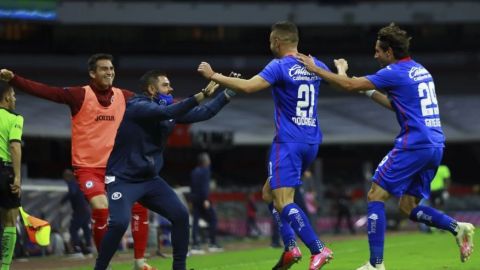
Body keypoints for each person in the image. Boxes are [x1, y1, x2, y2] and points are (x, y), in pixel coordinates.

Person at [296, 23, 475, 270]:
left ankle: (376, 264)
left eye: (378, 51)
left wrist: (316, 69)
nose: (375, 55)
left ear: (389, 52)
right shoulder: (420, 70)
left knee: (375, 195)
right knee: (408, 207)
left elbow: (347, 85)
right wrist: (361, 88)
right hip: (435, 144)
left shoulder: (394, 72)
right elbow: (396, 105)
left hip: (414, 143)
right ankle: (457, 227)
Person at [198, 21, 334, 270]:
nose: (270, 44)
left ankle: (317, 249)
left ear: (278, 42)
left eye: (271, 40)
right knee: (268, 194)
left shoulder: (279, 65)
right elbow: (337, 81)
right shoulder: (315, 65)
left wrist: (214, 76)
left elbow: (249, 86)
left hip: (288, 141)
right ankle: (290, 247)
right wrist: (343, 69)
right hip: (312, 140)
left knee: (284, 201)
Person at [0, 54, 154, 269]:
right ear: (92, 73)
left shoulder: (124, 97)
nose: (109, 72)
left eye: (111, 68)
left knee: (140, 205)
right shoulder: (79, 95)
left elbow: (156, 105)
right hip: (89, 168)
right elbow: (47, 91)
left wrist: (198, 100)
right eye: (104, 69)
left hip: (117, 169)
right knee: (101, 207)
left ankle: (139, 262)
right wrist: (15, 79)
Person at [94, 70, 235, 270]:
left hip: (150, 180)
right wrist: (201, 95)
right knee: (118, 224)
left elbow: (205, 113)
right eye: (166, 85)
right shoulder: (137, 106)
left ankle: (179, 268)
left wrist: (228, 93)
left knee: (180, 215)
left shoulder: (168, 110)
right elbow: (167, 112)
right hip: (123, 179)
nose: (171, 89)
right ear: (152, 89)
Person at [0, 82, 23, 270]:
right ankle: (5, 267)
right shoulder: (14, 118)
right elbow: (15, 145)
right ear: (7, 96)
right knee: (9, 221)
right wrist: (17, 177)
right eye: (13, 95)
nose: (15, 99)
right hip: (4, 171)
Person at [190, 152, 222, 254]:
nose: (209, 161)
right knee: (213, 219)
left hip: (194, 199)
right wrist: (206, 199)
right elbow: (204, 187)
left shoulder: (194, 171)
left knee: (195, 221)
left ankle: (195, 245)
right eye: (208, 159)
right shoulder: (205, 170)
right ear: (205, 161)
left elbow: (193, 187)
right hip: (203, 200)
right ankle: (212, 243)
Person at [60, 168, 93, 258]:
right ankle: (89, 248)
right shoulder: (79, 182)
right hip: (86, 208)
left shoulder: (71, 183)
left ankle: (77, 249)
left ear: (66, 177)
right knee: (85, 228)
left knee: (73, 229)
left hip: (80, 209)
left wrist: (62, 201)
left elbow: (72, 193)